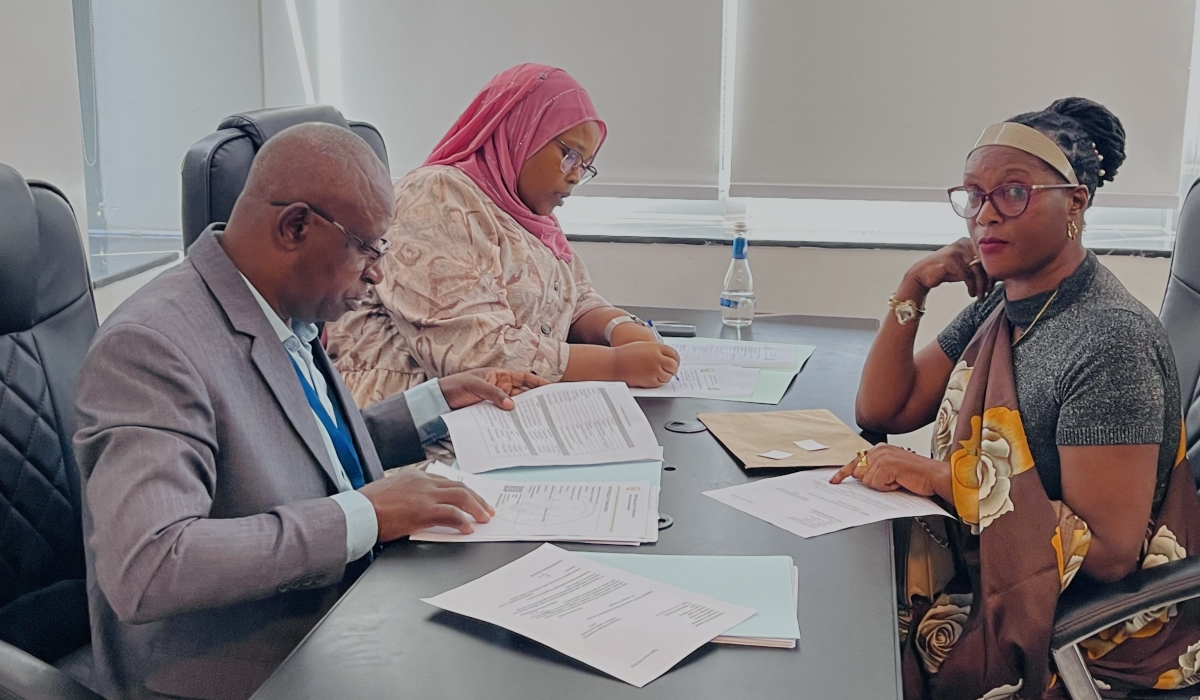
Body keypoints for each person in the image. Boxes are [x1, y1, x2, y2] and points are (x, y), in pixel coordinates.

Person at [73, 123, 545, 700]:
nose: (377, 272)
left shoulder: (282, 307)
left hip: (346, 614)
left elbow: (296, 448)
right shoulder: (152, 346)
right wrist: (365, 515)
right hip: (245, 668)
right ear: (295, 227)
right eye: (367, 247)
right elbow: (150, 566)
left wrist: (434, 404)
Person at [832, 98, 1200, 697]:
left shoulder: (1110, 342)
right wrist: (914, 285)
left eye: (1012, 193)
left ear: (1075, 203)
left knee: (846, 650)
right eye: (974, 195)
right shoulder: (1007, 302)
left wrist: (937, 476)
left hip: (1077, 626)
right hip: (988, 571)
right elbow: (884, 409)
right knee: (838, 610)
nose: (985, 216)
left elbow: (1108, 552)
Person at [327, 63, 679, 408]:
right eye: (570, 155)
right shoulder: (437, 196)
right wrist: (615, 366)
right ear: (521, 131)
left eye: (584, 165)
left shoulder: (527, 213)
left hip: (502, 411)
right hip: (407, 420)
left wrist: (617, 326)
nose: (574, 175)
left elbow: (573, 299)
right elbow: (473, 351)